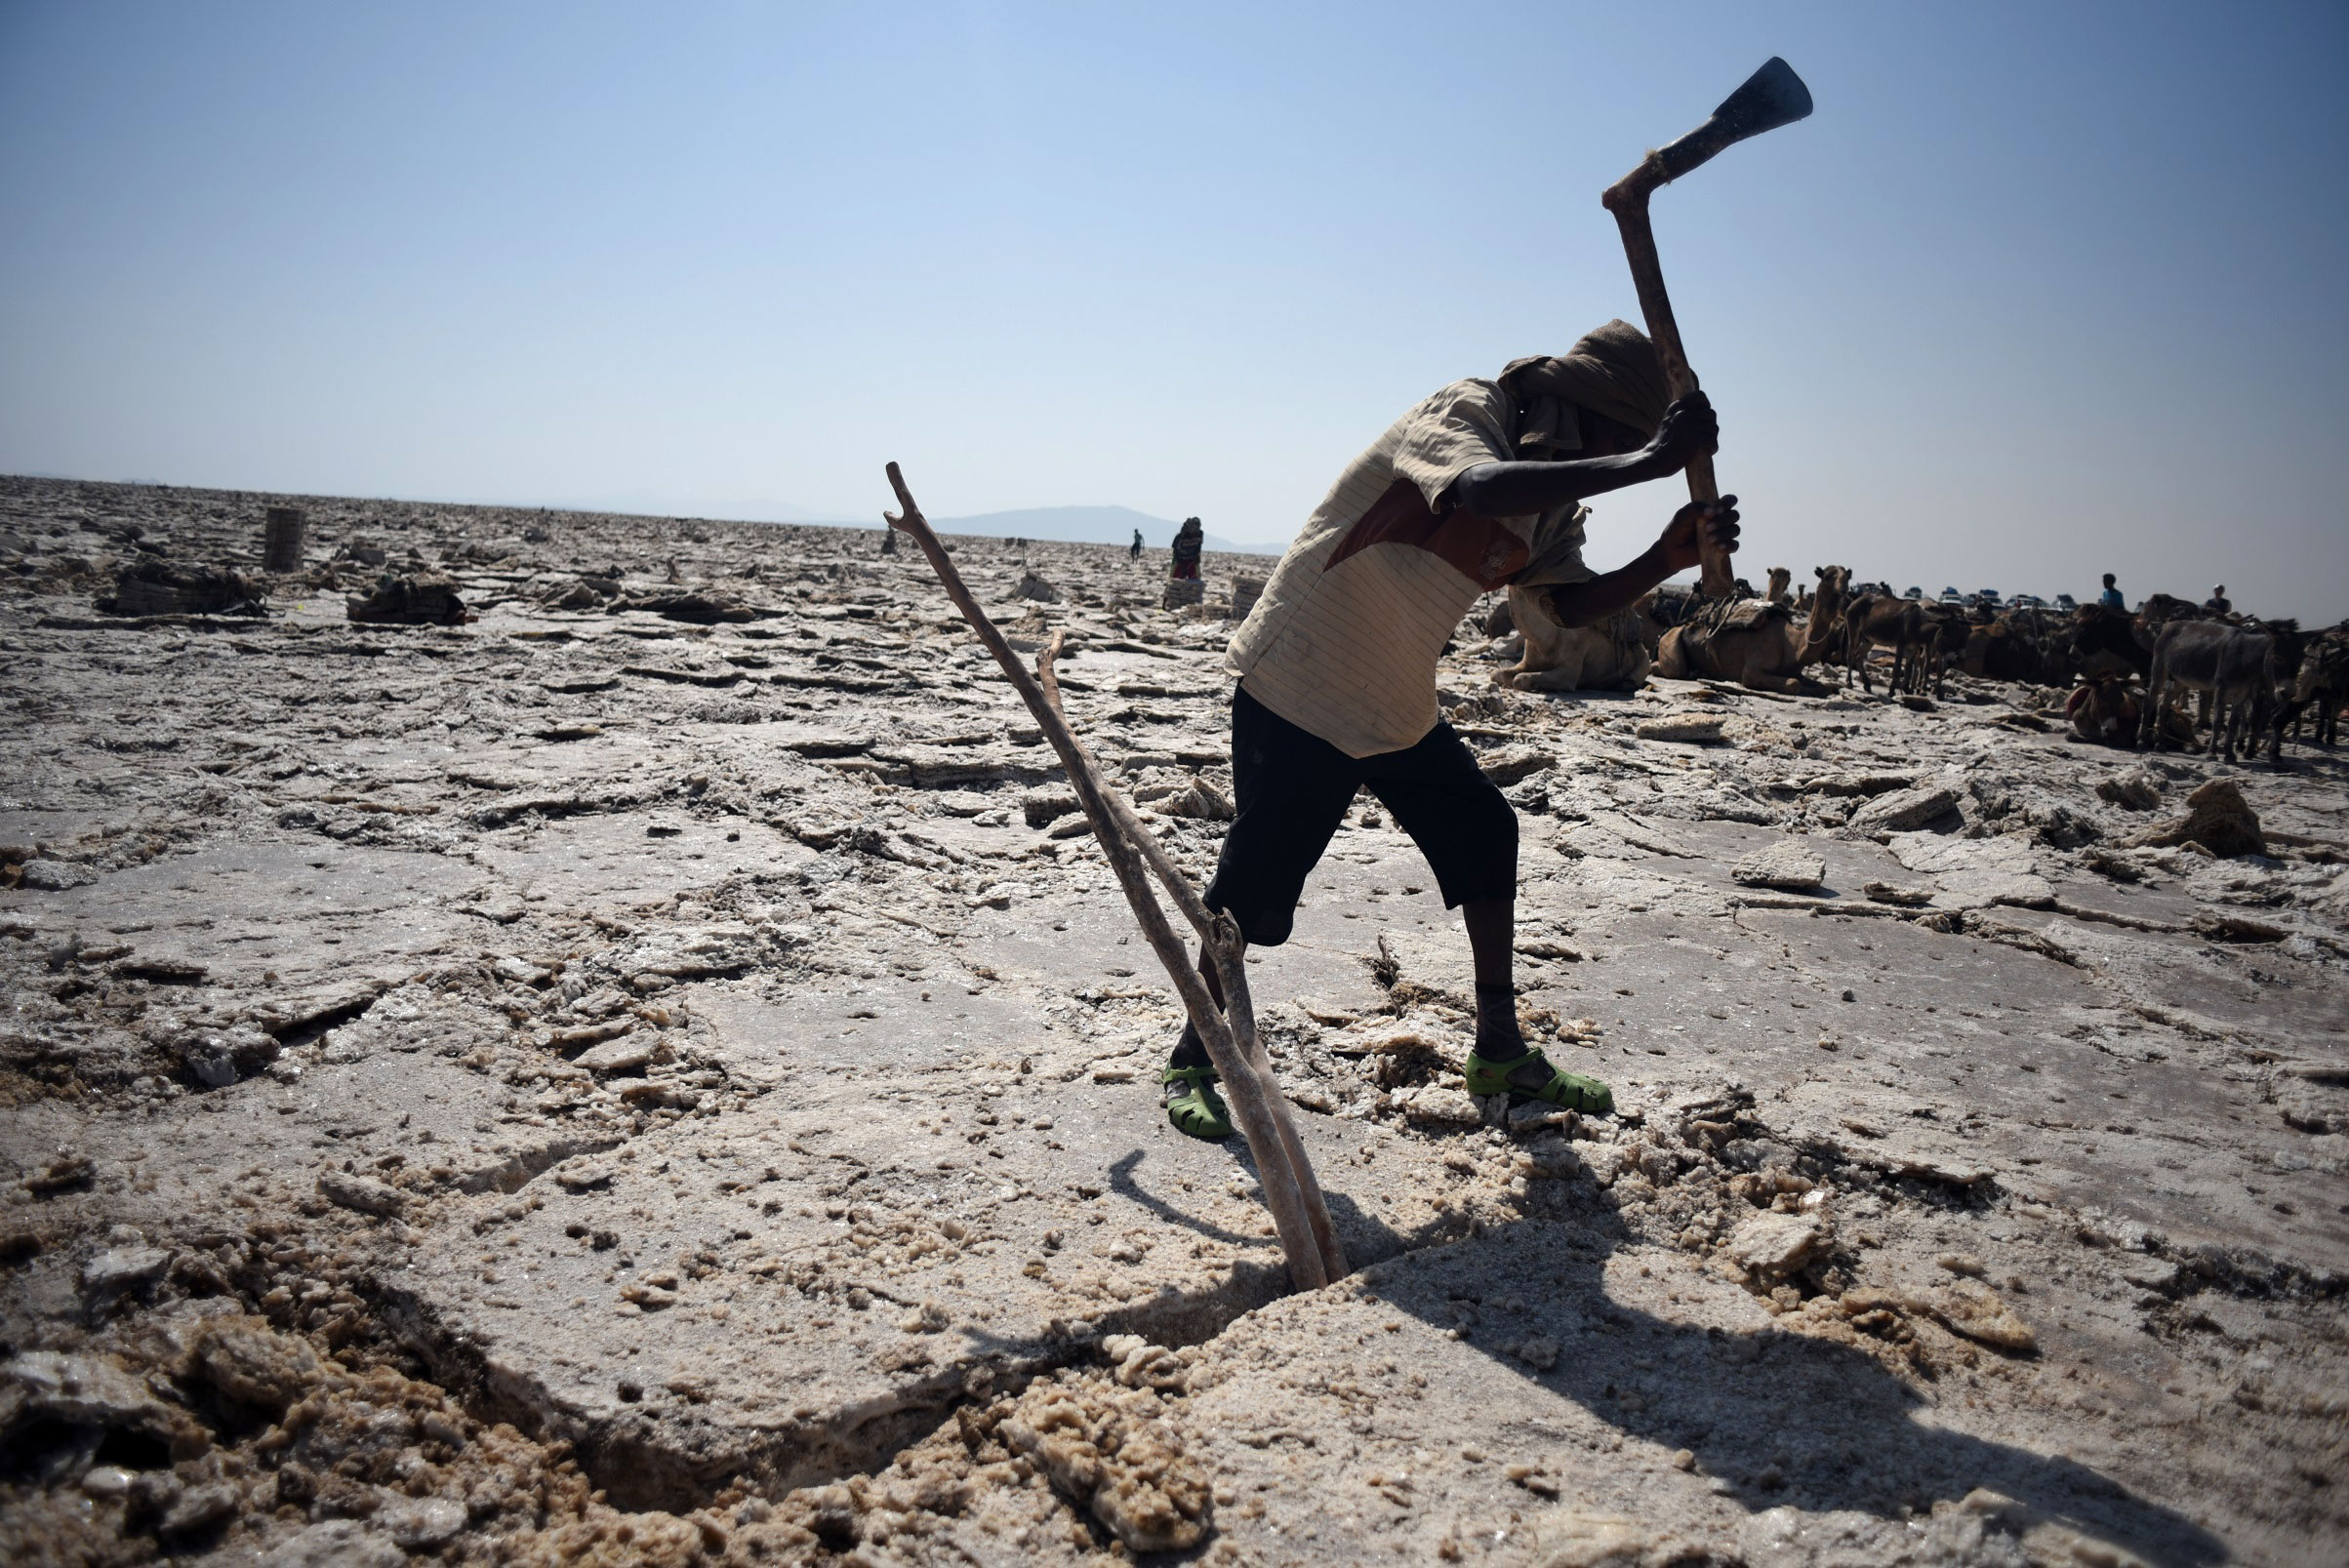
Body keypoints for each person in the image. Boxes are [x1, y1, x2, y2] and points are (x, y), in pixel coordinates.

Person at [1158, 319, 1739, 1140]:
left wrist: (1663, 558)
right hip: (1303, 674)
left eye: (1629, 444)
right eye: (1614, 436)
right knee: (1253, 878)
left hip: (1392, 696)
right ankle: (1194, 1056)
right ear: (1578, 404)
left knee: (1483, 832)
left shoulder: (1550, 503)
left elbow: (1563, 605)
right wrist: (1648, 461)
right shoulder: (1469, 410)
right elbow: (1476, 489)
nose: (1613, 455)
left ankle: (1499, 1049)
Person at [1169, 517, 1203, 581]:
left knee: (1195, 577)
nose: (1194, 530)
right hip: (1179, 560)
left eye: (1196, 527)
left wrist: (1195, 560)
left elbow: (1198, 550)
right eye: (1192, 527)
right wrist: (1182, 567)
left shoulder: (1199, 535)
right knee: (1174, 577)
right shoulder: (1179, 537)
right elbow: (1175, 553)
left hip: (1192, 560)